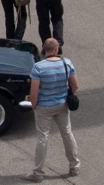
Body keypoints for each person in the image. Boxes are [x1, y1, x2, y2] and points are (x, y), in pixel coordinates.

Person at [20, 38, 80, 181]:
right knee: (67, 133)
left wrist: (34, 106)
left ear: (44, 49)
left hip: (44, 107)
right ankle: (74, 166)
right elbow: (75, 86)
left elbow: (33, 93)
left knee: (42, 138)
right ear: (56, 49)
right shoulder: (67, 63)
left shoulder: (38, 67)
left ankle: (38, 173)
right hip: (62, 105)